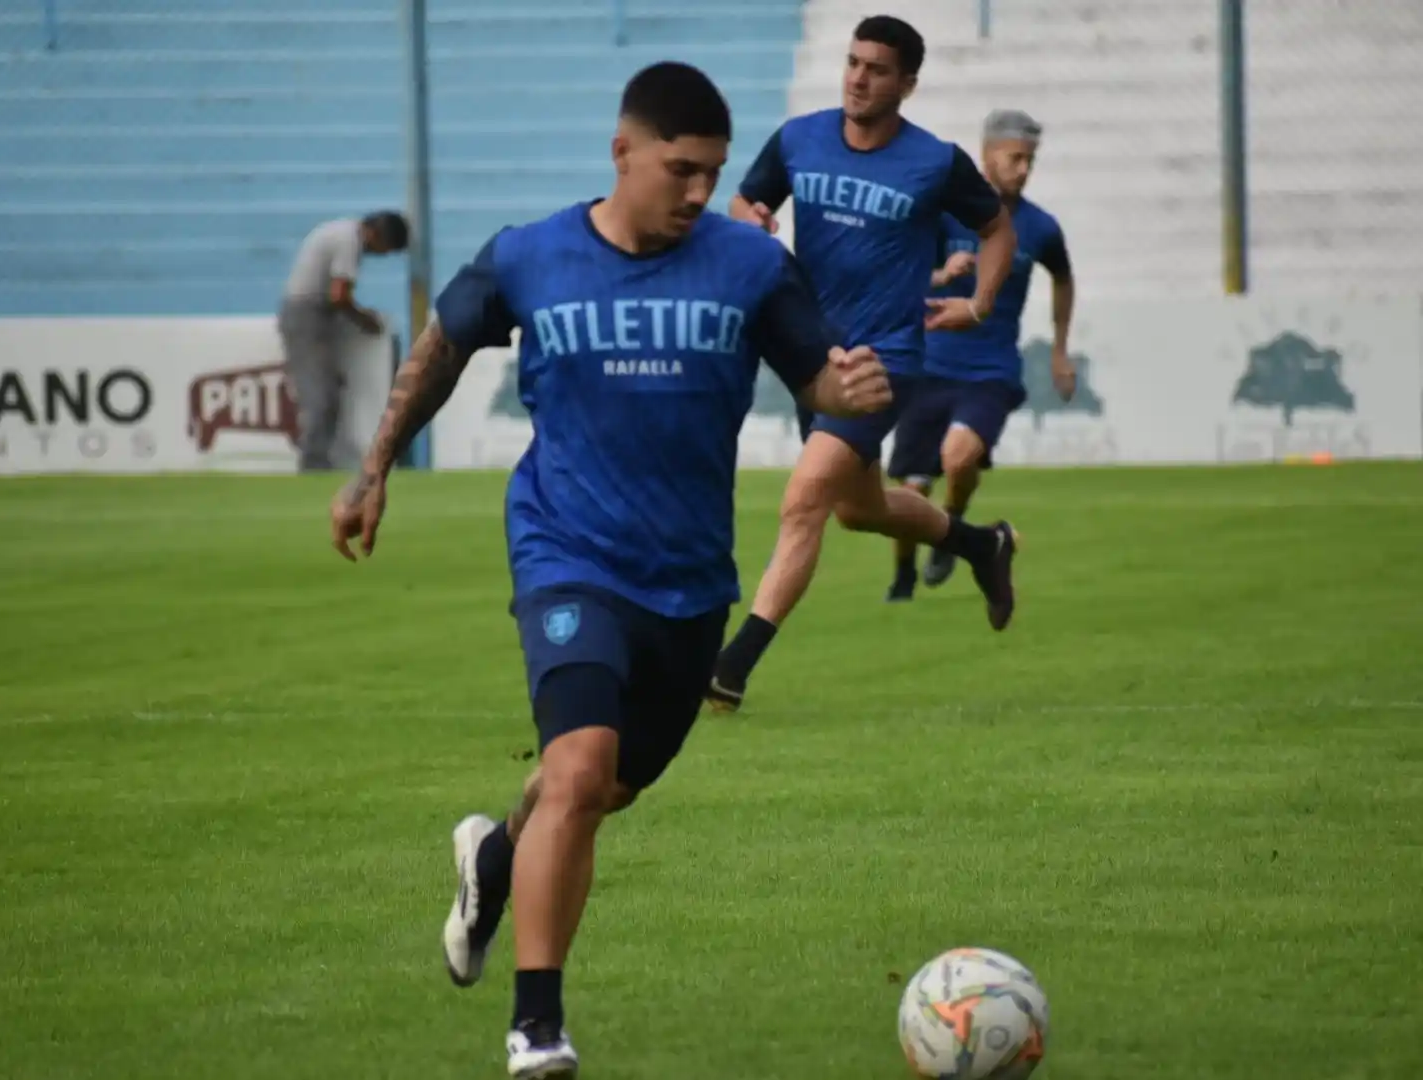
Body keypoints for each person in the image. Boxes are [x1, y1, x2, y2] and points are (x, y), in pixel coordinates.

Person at [328, 62, 893, 1080]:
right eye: (679, 169)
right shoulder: (528, 255)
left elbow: (819, 380)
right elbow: (440, 350)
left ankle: (495, 856)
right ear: (622, 151)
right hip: (566, 552)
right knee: (580, 769)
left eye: (713, 175)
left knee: (600, 791)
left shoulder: (753, 266)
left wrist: (851, 391)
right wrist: (373, 471)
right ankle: (536, 1026)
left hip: (687, 578)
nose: (697, 194)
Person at [705, 15, 1022, 715]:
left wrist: (980, 301)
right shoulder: (799, 138)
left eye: (877, 68)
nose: (858, 77)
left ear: (906, 84)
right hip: (810, 357)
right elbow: (746, 198)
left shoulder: (934, 161)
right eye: (852, 62)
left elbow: (996, 226)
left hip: (884, 359)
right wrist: (748, 221)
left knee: (805, 499)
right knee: (858, 509)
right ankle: (980, 544)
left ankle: (731, 668)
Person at [885, 109, 1075, 601]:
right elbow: (902, 277)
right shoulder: (944, 216)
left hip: (990, 372)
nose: (1024, 169)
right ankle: (905, 574)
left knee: (959, 454)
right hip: (927, 368)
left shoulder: (1040, 228)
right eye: (1015, 158)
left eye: (1030, 160)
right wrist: (943, 275)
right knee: (909, 494)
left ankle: (953, 528)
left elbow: (1063, 278)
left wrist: (1059, 348)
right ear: (988, 155)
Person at [278, 210, 409, 471]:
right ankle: (312, 464)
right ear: (377, 235)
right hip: (308, 316)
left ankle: (320, 460)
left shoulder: (339, 231)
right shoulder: (350, 241)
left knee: (328, 390)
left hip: (311, 315)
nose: (382, 255)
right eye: (386, 249)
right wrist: (364, 320)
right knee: (320, 396)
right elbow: (339, 296)